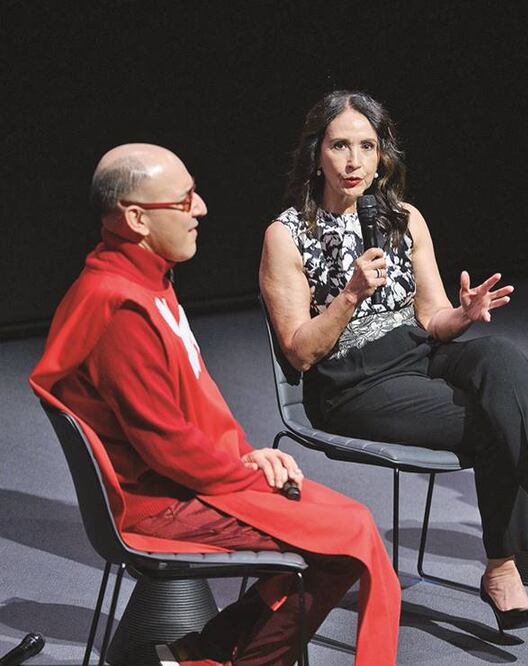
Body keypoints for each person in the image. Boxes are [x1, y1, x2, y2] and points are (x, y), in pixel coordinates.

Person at [29, 144, 400, 665]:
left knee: (350, 523)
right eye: (184, 202)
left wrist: (248, 454)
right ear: (136, 219)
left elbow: (190, 405)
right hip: (161, 502)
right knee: (344, 541)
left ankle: (201, 653)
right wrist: (246, 474)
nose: (201, 208)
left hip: (184, 479)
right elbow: (165, 445)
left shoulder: (143, 278)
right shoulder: (119, 306)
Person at [260, 90, 528, 632]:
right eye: (340, 145)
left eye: (366, 146)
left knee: (501, 358)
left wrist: (462, 315)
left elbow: (432, 314)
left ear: (382, 154)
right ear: (315, 153)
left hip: (418, 353)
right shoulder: (287, 234)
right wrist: (349, 295)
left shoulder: (404, 218)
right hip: (351, 382)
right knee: (494, 419)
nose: (353, 161)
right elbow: (299, 350)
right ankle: (503, 566)